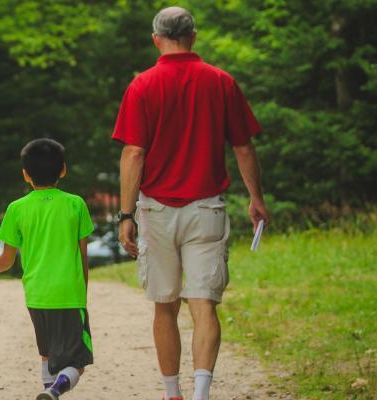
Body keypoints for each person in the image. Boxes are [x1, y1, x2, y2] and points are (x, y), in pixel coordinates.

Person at [111, 7, 270, 400]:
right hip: (207, 209)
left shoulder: (142, 86)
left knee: (164, 306)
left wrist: (126, 214)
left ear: (156, 39)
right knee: (204, 305)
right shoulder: (221, 82)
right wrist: (256, 198)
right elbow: (243, 146)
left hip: (156, 211)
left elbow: (134, 153)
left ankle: (172, 393)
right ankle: (201, 393)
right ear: (193, 37)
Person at [0, 138, 94, 400]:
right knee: (76, 363)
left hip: (36, 294)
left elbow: (7, 261)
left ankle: (49, 390)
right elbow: (83, 256)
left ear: (26, 174)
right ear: (63, 170)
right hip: (69, 294)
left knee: (46, 354)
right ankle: (56, 389)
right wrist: (83, 292)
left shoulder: (16, 209)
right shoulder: (76, 204)